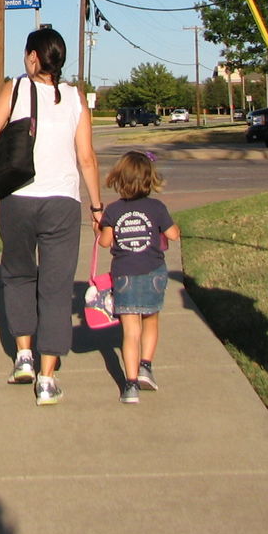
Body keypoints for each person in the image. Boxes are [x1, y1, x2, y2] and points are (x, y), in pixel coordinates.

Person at [0, 27, 102, 406]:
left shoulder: (14, 89)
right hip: (63, 203)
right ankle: (48, 380)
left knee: (17, 276)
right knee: (56, 287)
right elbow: (86, 157)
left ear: (34, 57)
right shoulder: (75, 97)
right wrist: (97, 207)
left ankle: (24, 357)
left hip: (18, 198)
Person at [98, 151, 180, 404]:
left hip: (124, 274)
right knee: (151, 320)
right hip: (153, 272)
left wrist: (100, 228)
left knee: (130, 331)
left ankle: (130, 384)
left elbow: (105, 242)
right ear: (149, 179)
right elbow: (174, 234)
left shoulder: (113, 211)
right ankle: (146, 366)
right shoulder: (156, 208)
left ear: (119, 179)